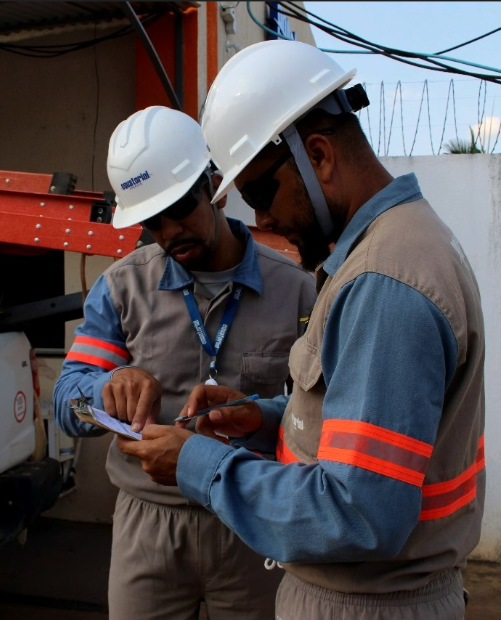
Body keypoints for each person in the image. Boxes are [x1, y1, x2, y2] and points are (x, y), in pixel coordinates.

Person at [118, 41, 486, 619]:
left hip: (365, 604)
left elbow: (359, 514)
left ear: (318, 155)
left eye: (262, 194)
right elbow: (356, 432)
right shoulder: (393, 247)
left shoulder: (384, 282)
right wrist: (265, 418)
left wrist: (195, 463)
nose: (261, 220)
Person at [53, 105, 316, 620]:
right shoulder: (123, 289)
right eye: (152, 221)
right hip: (147, 527)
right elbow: (66, 400)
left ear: (214, 185)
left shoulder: (298, 290)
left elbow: (317, 414)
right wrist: (108, 386)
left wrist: (262, 414)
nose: (171, 232)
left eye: (181, 207)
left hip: (250, 519)